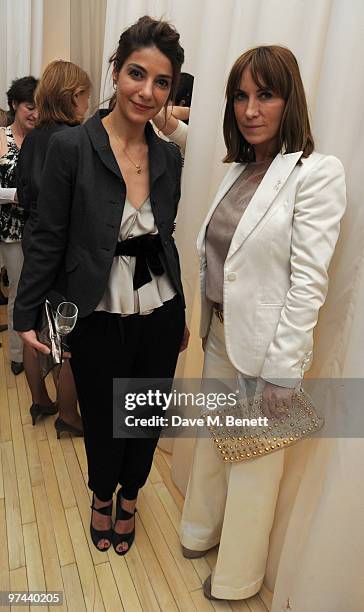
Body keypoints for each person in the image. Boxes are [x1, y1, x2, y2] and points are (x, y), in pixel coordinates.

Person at [14, 15, 188, 555]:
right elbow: (47, 238)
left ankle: (130, 497)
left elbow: (168, 236)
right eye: (138, 74)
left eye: (162, 82)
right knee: (102, 414)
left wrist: (180, 310)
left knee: (147, 415)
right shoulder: (72, 147)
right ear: (115, 71)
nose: (148, 91)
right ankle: (100, 495)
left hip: (159, 309)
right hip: (95, 310)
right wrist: (26, 315)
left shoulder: (168, 156)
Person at [179, 45, 346, 600]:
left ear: (289, 99)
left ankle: (236, 580)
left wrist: (282, 373)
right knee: (213, 444)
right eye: (241, 96)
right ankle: (199, 531)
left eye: (265, 95)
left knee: (255, 470)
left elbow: (308, 283)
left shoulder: (316, 174)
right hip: (221, 333)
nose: (250, 109)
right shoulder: (239, 169)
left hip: (267, 349)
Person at [16, 60, 92, 436]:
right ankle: (69, 416)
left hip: (34, 239)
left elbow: (23, 193)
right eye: (84, 96)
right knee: (66, 336)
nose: (88, 104)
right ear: (72, 96)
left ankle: (39, 399)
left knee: (34, 325)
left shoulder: (32, 139)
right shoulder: (76, 141)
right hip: (63, 248)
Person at [0, 76, 38, 375]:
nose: (35, 113)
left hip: (32, 230)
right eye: (29, 106)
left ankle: (26, 351)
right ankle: (15, 351)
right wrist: (14, 195)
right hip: (7, 227)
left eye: (39, 107)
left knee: (27, 292)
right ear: (14, 104)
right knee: (16, 292)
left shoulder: (42, 139)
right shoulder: (2, 136)